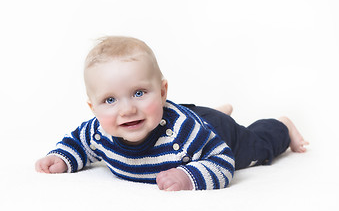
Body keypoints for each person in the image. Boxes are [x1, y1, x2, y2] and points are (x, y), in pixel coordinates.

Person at [35, 36, 309, 191]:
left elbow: (223, 160)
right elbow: (78, 142)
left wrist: (188, 177)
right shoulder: (98, 129)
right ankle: (214, 112)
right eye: (109, 100)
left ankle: (282, 126)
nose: (127, 109)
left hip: (215, 133)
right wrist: (61, 157)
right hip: (188, 118)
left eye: (139, 93)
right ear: (93, 108)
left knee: (257, 148)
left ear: (163, 91)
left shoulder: (184, 134)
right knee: (197, 120)